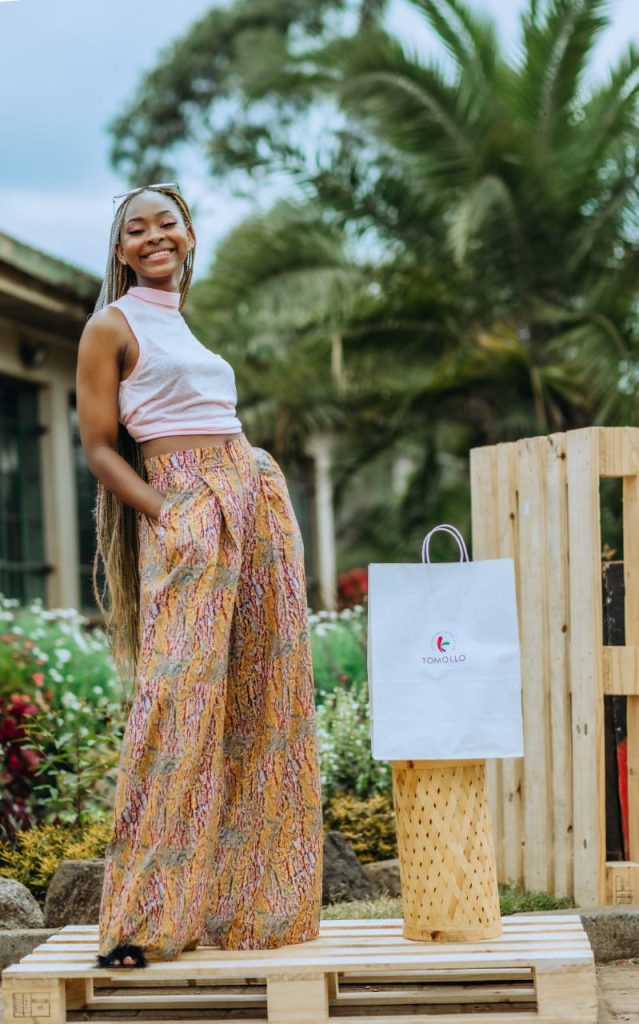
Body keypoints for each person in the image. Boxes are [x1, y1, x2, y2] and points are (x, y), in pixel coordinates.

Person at [75, 183, 323, 969]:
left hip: (250, 494)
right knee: (176, 702)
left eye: (167, 224)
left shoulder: (178, 321)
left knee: (267, 696)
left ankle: (255, 910)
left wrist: (245, 487)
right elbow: (99, 446)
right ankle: (141, 921)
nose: (154, 237)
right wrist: (167, 513)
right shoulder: (110, 326)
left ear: (187, 235)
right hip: (187, 507)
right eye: (137, 229)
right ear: (121, 250)